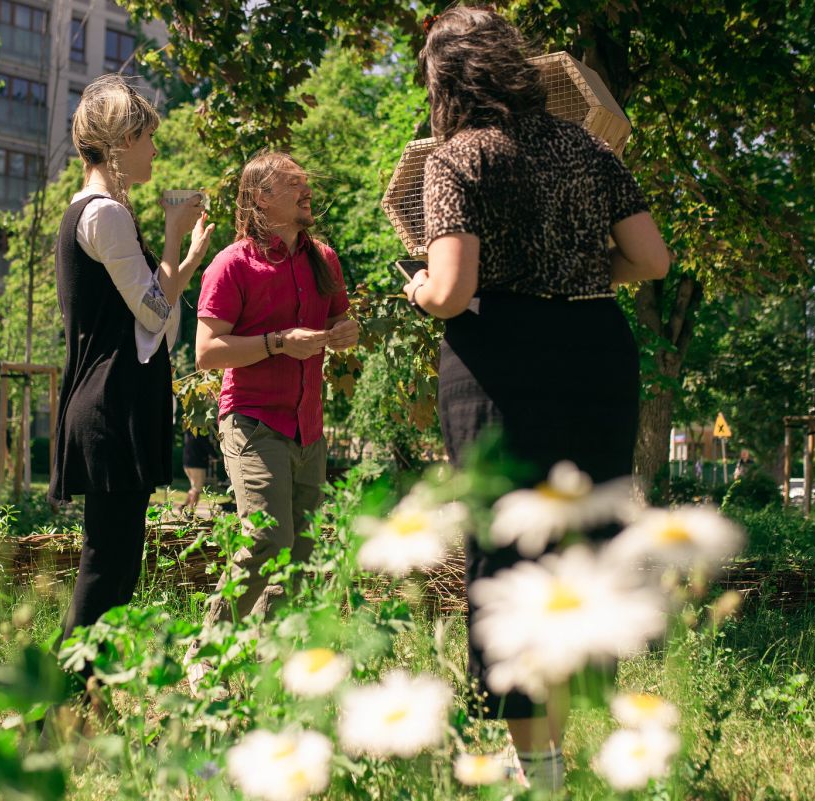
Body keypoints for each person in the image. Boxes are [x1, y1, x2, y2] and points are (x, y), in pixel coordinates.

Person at [401, 7, 670, 793]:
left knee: (509, 552)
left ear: (445, 83)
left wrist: (421, 289)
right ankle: (568, 738)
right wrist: (584, 272)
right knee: (582, 546)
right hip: (596, 355)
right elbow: (650, 260)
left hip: (503, 365)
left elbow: (453, 291)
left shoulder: (456, 159)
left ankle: (541, 770)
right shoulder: (584, 143)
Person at [50, 75, 214, 674]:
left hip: (115, 398)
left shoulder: (98, 213)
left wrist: (187, 256)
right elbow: (154, 310)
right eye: (147, 139)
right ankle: (55, 706)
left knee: (119, 563)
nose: (153, 152)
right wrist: (173, 234)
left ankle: (83, 698)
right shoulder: (105, 215)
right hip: (110, 402)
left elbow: (154, 307)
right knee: (106, 564)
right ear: (120, 140)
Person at [188, 151, 359, 689]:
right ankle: (206, 654)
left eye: (305, 182)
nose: (306, 189)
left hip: (309, 427)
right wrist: (280, 342)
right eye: (293, 184)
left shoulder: (323, 258)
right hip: (253, 421)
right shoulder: (231, 264)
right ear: (262, 197)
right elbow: (207, 353)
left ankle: (266, 663)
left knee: (303, 554)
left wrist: (346, 331)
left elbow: (339, 318)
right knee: (269, 538)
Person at [182, 426, 216, 512]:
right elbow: (206, 444)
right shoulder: (201, 431)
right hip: (197, 464)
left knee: (194, 487)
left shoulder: (190, 431)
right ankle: (191, 512)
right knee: (197, 489)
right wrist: (216, 456)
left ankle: (183, 507)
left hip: (187, 463)